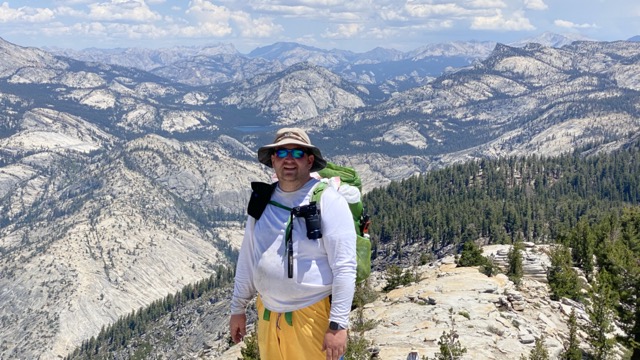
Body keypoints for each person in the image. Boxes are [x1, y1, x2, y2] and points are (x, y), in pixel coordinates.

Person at [229, 127, 357, 360]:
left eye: (297, 153)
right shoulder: (262, 201)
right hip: (268, 316)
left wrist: (338, 325)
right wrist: (237, 308)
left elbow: (344, 267)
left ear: (309, 161)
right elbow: (248, 257)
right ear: (273, 160)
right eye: (281, 153)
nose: (289, 160)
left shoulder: (328, 201)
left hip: (311, 318)